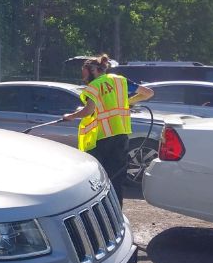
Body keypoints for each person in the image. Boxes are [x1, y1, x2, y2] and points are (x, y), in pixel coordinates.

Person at [61, 54, 154, 205]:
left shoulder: (95, 86)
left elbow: (88, 111)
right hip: (121, 135)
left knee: (100, 178)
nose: (82, 75)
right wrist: (129, 101)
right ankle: (117, 211)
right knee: (117, 178)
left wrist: (70, 116)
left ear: (93, 70)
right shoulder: (120, 81)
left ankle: (102, 211)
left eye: (84, 71)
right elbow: (148, 93)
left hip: (103, 138)